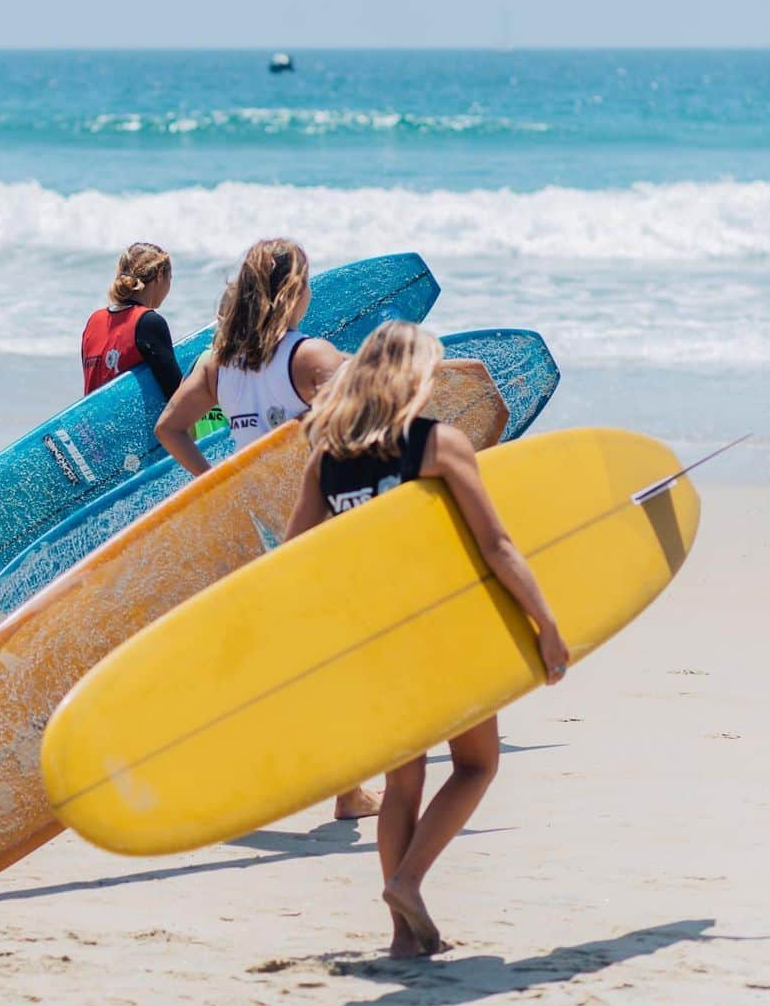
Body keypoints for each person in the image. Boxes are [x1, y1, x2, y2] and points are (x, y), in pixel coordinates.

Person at [283, 320, 570, 958]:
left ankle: (402, 938)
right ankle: (409, 881)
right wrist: (546, 625)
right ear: (415, 379)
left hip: (374, 641)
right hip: (443, 632)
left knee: (403, 779)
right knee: (477, 764)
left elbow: (292, 560)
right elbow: (496, 544)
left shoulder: (327, 461)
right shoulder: (437, 445)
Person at [156, 237, 380, 820]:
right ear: (294, 293)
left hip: (261, 528)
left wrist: (217, 481)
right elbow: (369, 420)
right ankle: (347, 790)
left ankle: (251, 767)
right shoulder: (310, 357)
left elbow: (170, 428)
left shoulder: (218, 362)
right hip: (327, 522)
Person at [81, 243, 181, 399]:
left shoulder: (94, 322)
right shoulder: (149, 322)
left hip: (91, 423)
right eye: (170, 278)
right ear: (160, 274)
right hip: (135, 424)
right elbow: (176, 397)